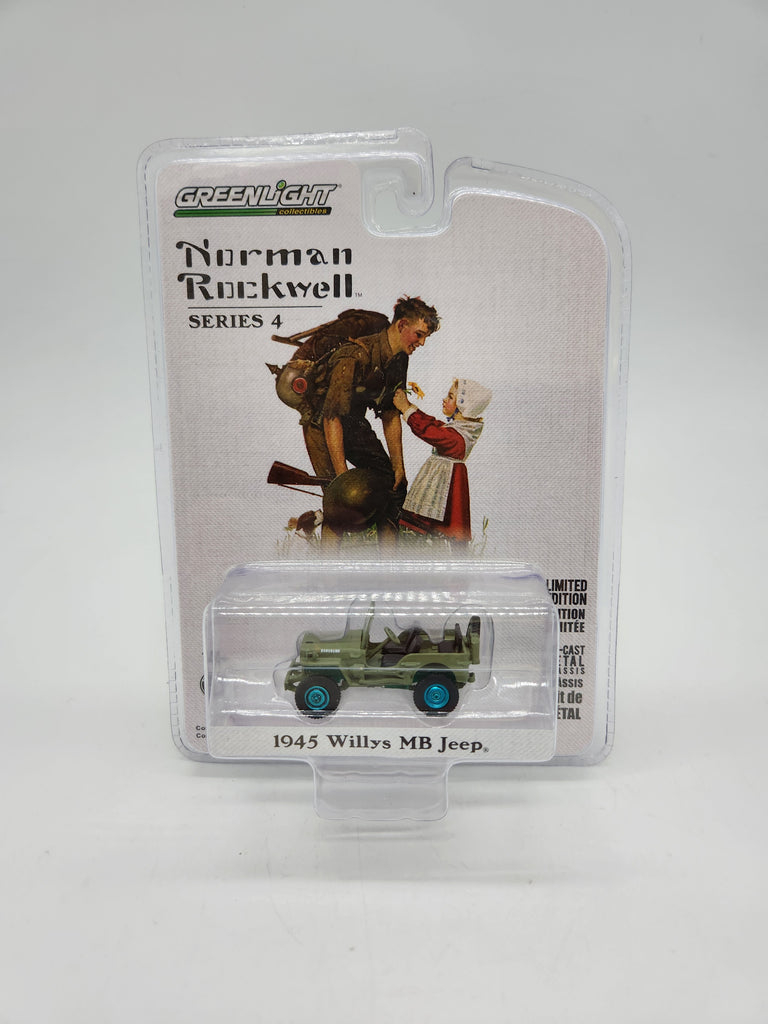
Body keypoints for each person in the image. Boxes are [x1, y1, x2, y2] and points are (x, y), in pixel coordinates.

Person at [303, 296, 440, 542]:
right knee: (338, 501)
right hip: (322, 425)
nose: (422, 343)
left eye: (425, 337)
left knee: (392, 488)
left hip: (353, 423)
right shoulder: (354, 355)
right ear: (401, 325)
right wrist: (343, 478)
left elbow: (390, 413)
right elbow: (332, 417)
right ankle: (329, 564)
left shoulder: (400, 358)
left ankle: (389, 562)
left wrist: (398, 467)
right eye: (419, 335)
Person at [393, 378, 492, 543]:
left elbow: (430, 432)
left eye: (450, 397)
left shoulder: (458, 437)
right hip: (441, 479)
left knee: (438, 526)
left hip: (445, 485)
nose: (445, 399)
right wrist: (409, 407)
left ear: (463, 407)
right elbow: (433, 424)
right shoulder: (459, 430)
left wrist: (406, 409)